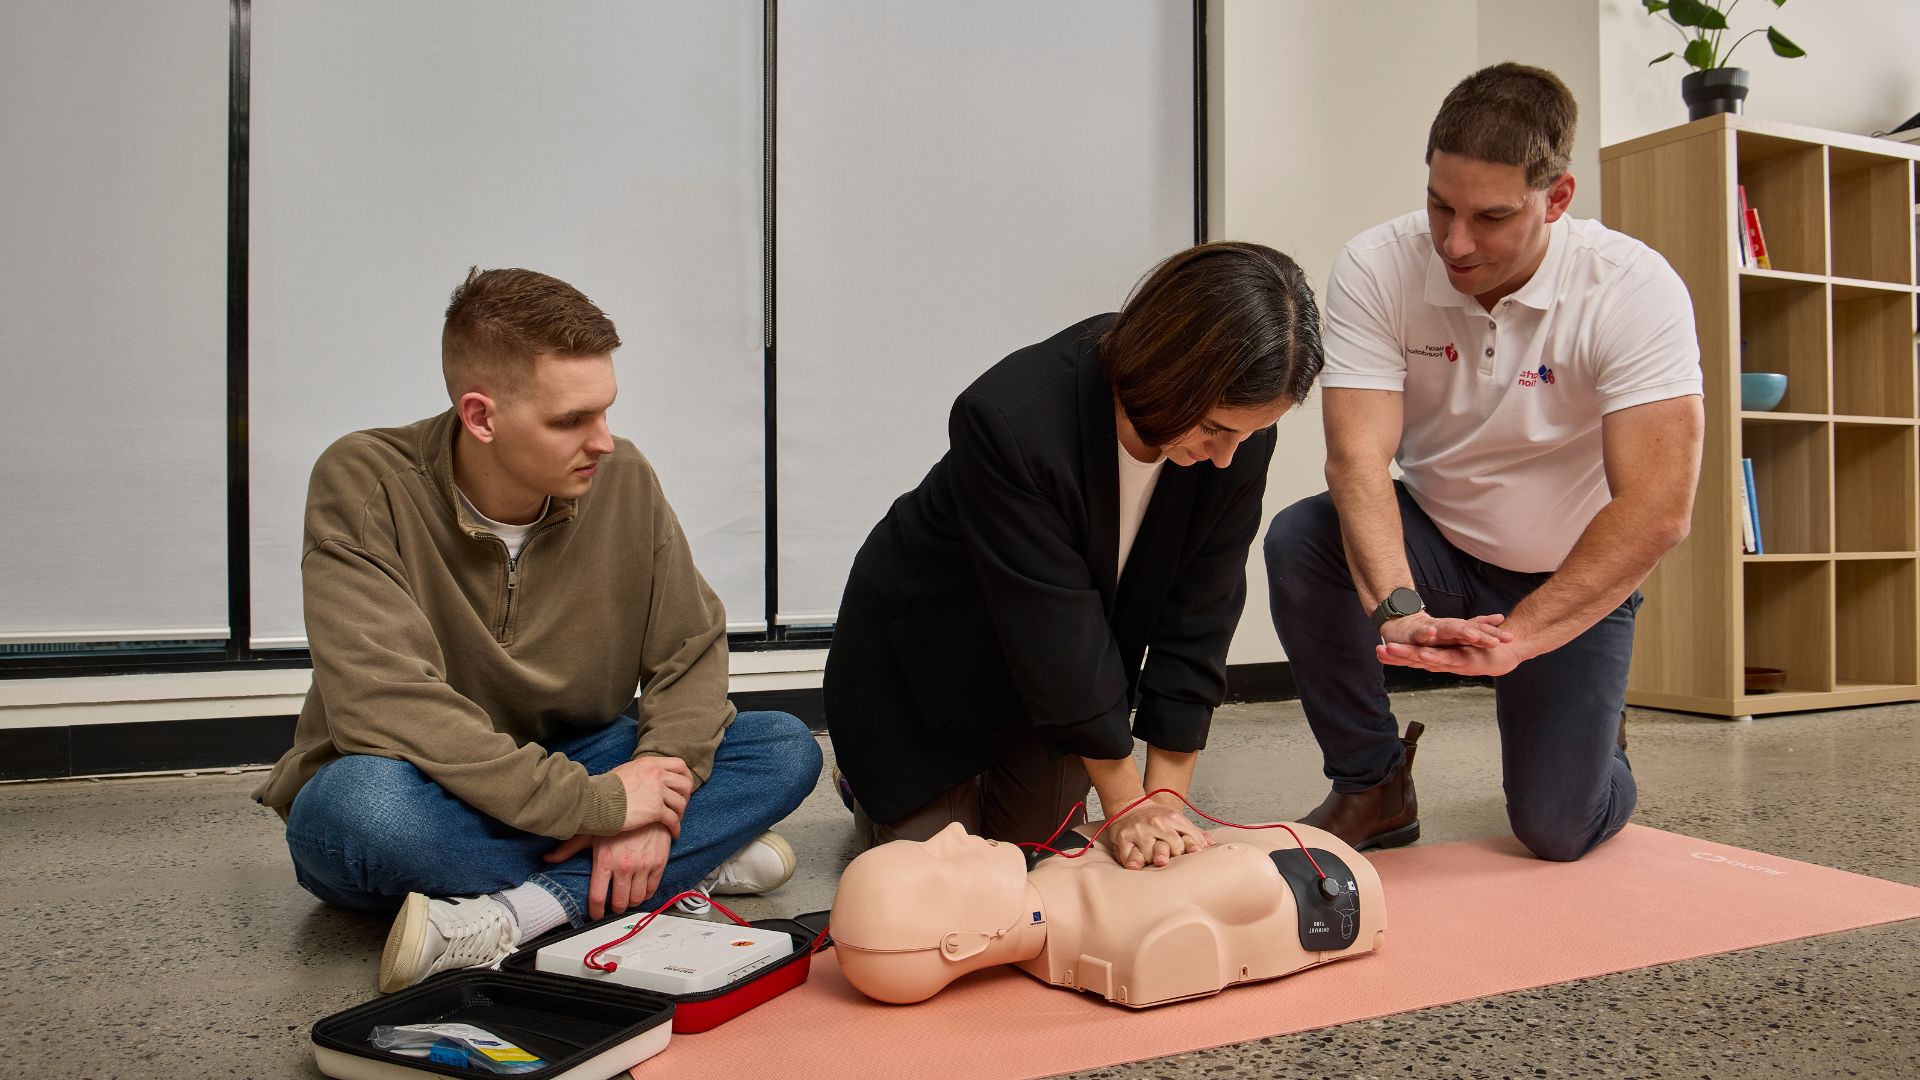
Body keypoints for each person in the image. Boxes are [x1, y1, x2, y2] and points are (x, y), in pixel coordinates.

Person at [252, 267, 821, 992]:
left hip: (581, 753)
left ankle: (524, 912)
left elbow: (691, 648)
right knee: (356, 812)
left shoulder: (626, 482)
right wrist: (612, 810)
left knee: (780, 747)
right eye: (570, 421)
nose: (604, 442)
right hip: (424, 778)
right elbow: (383, 705)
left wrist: (639, 795)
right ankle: (685, 861)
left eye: (605, 411)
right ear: (481, 417)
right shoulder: (364, 481)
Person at [1263, 63, 1704, 861]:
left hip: (1568, 572)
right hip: (1440, 540)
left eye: (1492, 217)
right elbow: (1358, 458)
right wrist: (1396, 607)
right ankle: (1373, 785)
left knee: (1557, 831)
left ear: (1557, 197)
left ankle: (1600, 742)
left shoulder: (1633, 289)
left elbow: (1658, 507)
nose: (1456, 242)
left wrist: (1525, 636)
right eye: (1441, 204)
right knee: (1302, 539)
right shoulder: (1377, 265)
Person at [825, 242, 1324, 872]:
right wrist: (1124, 802)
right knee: (955, 882)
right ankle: (865, 786)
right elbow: (1052, 625)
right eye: (1215, 431)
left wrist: (1163, 802)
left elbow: (1201, 614)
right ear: (1171, 370)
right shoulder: (1012, 418)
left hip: (1055, 679)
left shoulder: (1235, 436)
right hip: (928, 662)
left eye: (1246, 435)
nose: (1227, 456)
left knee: (1036, 860)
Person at [830, 819, 1385, 1007]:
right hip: (1316, 868)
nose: (952, 835)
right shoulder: (1119, 927)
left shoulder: (1055, 870)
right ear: (962, 943)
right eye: (939, 862)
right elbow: (1249, 876)